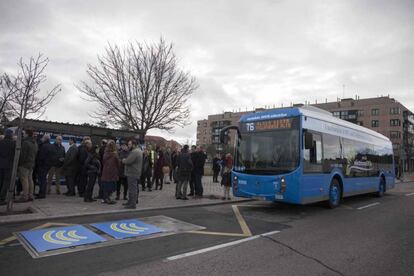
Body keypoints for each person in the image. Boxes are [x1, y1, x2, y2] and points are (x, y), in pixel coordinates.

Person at [16, 128, 38, 203]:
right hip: (31, 164)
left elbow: (22, 155)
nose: (23, 134)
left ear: (27, 134)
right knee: (30, 179)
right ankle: (30, 195)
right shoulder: (34, 143)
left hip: (24, 165)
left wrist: (19, 163)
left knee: (24, 180)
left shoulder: (25, 143)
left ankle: (25, 196)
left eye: (24, 133)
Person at [122, 139, 143, 209]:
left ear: (134, 145)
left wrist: (123, 160)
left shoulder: (135, 152)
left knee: (132, 189)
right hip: (134, 172)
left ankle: (132, 204)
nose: (128, 146)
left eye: (129, 144)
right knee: (132, 189)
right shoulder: (138, 150)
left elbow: (128, 161)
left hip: (132, 173)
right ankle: (130, 202)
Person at [36, 134, 55, 199]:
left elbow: (41, 156)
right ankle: (42, 193)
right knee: (44, 179)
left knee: (41, 180)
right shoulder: (52, 146)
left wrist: (38, 163)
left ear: (45, 139)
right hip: (48, 165)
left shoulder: (43, 146)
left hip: (42, 165)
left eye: (43, 138)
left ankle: (41, 194)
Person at [0, 129, 16, 205]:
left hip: (1, 164)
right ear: (11, 135)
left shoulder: (1, 142)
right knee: (6, 182)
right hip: (9, 165)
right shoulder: (13, 144)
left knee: (0, 180)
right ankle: (2, 198)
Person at [101, 140, 120, 204]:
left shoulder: (105, 154)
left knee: (105, 186)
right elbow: (118, 164)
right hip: (112, 172)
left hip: (105, 172)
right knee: (111, 186)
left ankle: (105, 198)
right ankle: (108, 199)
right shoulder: (115, 155)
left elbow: (103, 162)